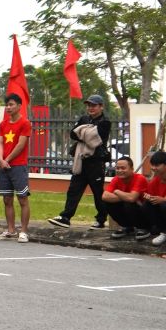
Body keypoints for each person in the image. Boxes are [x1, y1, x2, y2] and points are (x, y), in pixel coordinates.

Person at [48, 95, 111, 229]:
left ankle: (101, 219)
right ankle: (66, 217)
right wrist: (87, 132)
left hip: (96, 162)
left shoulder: (105, 122)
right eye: (89, 105)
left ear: (101, 107)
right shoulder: (84, 119)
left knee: (98, 192)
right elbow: (73, 134)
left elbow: (96, 140)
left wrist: (83, 131)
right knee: (74, 190)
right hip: (81, 161)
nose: (90, 108)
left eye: (94, 105)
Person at [0, 93, 32, 243]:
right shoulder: (3, 124)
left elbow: (21, 144)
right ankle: (10, 229)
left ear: (19, 106)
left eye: (11, 104)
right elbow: (0, 143)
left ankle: (23, 231)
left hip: (18, 166)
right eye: (7, 105)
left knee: (22, 198)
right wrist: (1, 159)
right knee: (7, 199)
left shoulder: (25, 123)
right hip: (5, 165)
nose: (8, 107)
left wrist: (7, 159)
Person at [101, 156, 151, 241]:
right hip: (131, 207)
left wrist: (117, 192)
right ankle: (127, 226)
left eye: (123, 168)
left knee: (129, 203)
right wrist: (125, 197)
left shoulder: (139, 178)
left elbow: (131, 199)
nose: (120, 171)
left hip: (146, 213)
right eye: (117, 168)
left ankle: (143, 228)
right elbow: (104, 196)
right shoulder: (116, 179)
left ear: (132, 169)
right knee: (108, 203)